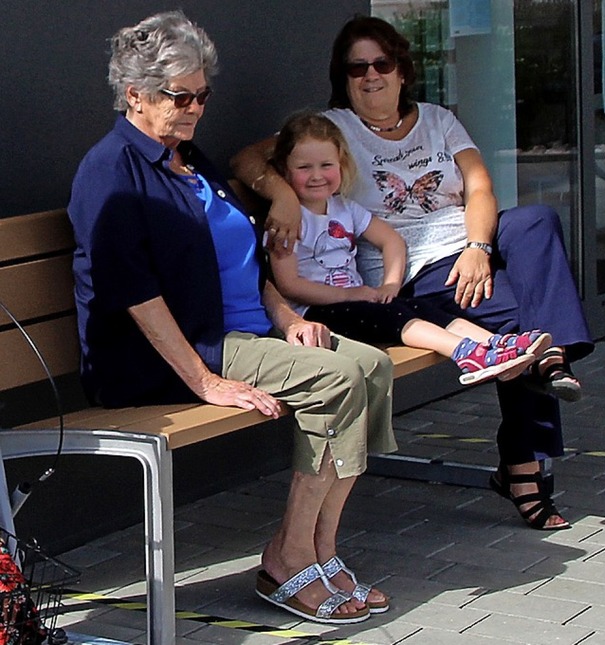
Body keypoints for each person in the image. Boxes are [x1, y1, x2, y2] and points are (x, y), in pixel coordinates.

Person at [67, 11, 397, 624]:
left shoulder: (190, 160)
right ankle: (287, 557)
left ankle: (321, 548)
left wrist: (284, 313)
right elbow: (134, 293)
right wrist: (204, 380)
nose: (194, 108)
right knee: (336, 377)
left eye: (202, 94)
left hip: (246, 329)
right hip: (178, 353)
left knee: (373, 367)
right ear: (134, 94)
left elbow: (244, 259)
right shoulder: (112, 171)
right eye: (179, 96)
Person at [231, 16, 595, 530]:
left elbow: (481, 187)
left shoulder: (439, 120)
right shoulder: (333, 127)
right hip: (416, 272)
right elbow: (246, 158)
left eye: (381, 63)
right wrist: (284, 194)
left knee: (536, 220)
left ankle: (550, 361)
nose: (370, 75)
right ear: (344, 77)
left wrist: (477, 246)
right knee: (523, 320)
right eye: (357, 68)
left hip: (469, 248)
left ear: (402, 69)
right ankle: (524, 459)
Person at [269, 110, 553, 386]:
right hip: (316, 313)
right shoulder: (287, 221)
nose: (317, 175)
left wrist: (390, 284)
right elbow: (289, 285)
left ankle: (495, 344)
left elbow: (391, 240)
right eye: (304, 167)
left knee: (423, 307)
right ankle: (465, 354)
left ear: (341, 165)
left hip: (360, 302)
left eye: (326, 165)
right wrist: (349, 293)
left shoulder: (345, 209)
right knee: (396, 315)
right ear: (285, 170)